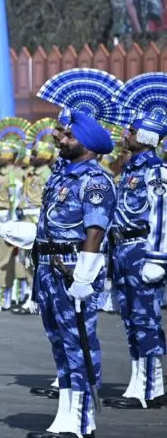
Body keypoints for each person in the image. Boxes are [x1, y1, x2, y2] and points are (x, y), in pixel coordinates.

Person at [26, 108, 116, 438]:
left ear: (88, 144)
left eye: (69, 136)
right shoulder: (63, 177)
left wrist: (84, 277)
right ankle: (65, 418)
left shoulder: (95, 181)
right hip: (50, 269)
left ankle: (81, 422)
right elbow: (51, 226)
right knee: (61, 345)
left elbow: (95, 232)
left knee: (78, 343)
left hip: (72, 269)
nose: (61, 139)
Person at [106, 76, 167, 410]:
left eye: (130, 131)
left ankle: (150, 388)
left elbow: (161, 217)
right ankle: (139, 384)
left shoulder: (155, 172)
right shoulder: (129, 171)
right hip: (123, 251)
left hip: (142, 251)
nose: (124, 135)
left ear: (145, 136)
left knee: (145, 320)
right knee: (131, 319)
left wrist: (158, 259)